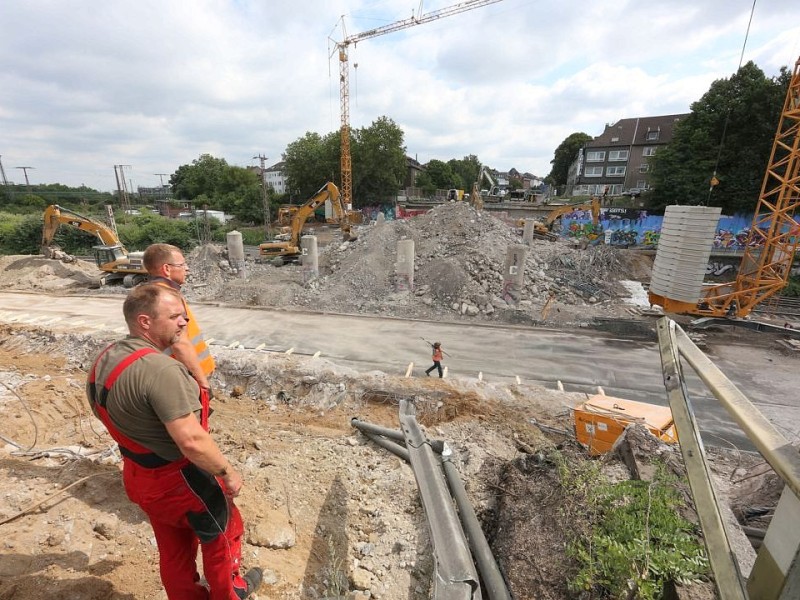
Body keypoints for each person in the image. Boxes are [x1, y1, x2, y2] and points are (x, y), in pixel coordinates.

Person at [86, 284, 261, 599]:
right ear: (145, 322)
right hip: (180, 481)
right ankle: (230, 593)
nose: (184, 322)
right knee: (223, 533)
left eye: (184, 315)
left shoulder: (106, 358)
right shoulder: (161, 371)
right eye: (175, 316)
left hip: (139, 476)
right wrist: (226, 473)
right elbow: (193, 441)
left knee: (173, 547)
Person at [143, 243, 215, 392]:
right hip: (184, 376)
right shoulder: (168, 298)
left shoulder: (148, 295)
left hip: (174, 374)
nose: (186, 268)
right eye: (182, 264)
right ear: (167, 269)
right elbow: (179, 344)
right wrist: (202, 383)